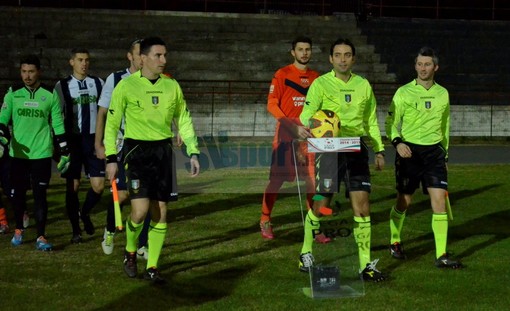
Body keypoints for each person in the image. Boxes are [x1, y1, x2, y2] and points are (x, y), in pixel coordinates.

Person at [104, 37, 200, 283]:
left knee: (161, 210)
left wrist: (193, 150)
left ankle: (153, 267)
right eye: (158, 55)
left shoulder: (172, 86)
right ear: (143, 58)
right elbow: (112, 124)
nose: (163, 60)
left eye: (165, 55)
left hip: (163, 154)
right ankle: (130, 251)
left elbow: (184, 118)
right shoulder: (125, 87)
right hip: (136, 153)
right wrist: (111, 158)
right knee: (140, 211)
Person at [297, 38, 386, 282]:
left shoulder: (363, 85)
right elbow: (307, 112)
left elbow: (371, 121)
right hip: (328, 150)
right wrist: (304, 127)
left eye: (347, 55)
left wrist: (379, 149)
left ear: (353, 59)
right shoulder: (320, 84)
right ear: (331, 59)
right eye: (338, 55)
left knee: (362, 208)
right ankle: (306, 252)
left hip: (356, 148)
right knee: (321, 205)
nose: (343, 59)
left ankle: (365, 265)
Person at [385, 46, 462, 269]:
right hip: (410, 152)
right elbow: (391, 123)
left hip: (435, 154)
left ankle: (441, 255)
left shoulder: (443, 93)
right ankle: (395, 240)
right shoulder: (403, 92)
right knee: (404, 201)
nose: (422, 68)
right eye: (419, 64)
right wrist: (397, 143)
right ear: (415, 66)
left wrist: (445, 153)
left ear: (435, 67)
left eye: (427, 64)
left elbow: (445, 125)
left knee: (438, 202)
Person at [0, 54, 70, 250]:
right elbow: (3, 118)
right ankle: (19, 229)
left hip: (41, 154)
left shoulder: (49, 94)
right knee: (17, 194)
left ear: (38, 71)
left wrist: (64, 150)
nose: (27, 76)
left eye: (31, 71)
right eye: (24, 71)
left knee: (40, 195)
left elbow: (57, 123)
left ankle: (41, 236)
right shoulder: (13, 93)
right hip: (18, 155)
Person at [259, 36, 321, 240]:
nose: (304, 53)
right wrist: (291, 126)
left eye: (308, 49)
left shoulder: (317, 78)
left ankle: (314, 225)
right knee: (277, 180)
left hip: (309, 137)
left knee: (313, 182)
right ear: (292, 52)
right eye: (300, 49)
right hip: (286, 135)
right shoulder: (282, 74)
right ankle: (265, 219)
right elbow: (271, 104)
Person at [95, 38, 150, 258]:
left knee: (147, 195)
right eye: (139, 54)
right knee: (124, 194)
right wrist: (99, 144)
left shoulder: (152, 80)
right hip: (119, 146)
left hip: (144, 147)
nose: (143, 58)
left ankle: (142, 244)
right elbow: (102, 112)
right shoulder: (116, 79)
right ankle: (109, 230)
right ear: (130, 56)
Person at [54, 48, 105, 244]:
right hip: (73, 141)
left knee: (99, 186)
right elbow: (57, 115)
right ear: (71, 62)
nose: (84, 63)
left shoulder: (98, 83)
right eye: (80, 60)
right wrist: (59, 143)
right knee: (72, 186)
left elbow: (105, 111)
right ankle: (76, 230)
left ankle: (85, 213)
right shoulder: (62, 85)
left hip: (93, 140)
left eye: (87, 60)